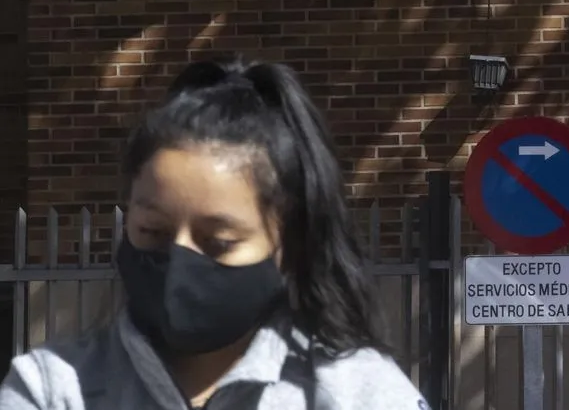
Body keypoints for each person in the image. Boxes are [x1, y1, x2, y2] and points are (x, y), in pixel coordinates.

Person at [0, 58, 430, 410]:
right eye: (153, 230)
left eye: (218, 242)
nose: (180, 258)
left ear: (289, 244)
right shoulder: (51, 389)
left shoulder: (361, 393)